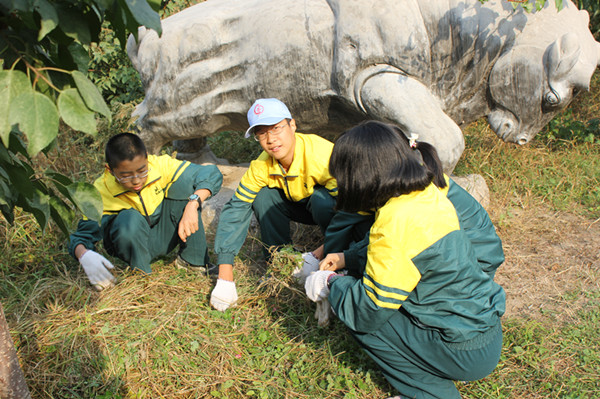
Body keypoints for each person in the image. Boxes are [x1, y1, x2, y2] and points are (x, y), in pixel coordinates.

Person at [305, 121, 506, 399]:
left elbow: (368, 310)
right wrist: (345, 257)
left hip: (463, 351)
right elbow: (400, 247)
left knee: (363, 316)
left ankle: (431, 394)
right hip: (484, 331)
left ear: (361, 175)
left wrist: (330, 284)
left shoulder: (394, 222)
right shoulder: (426, 193)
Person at [210, 98, 338, 311]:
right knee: (263, 196)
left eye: (277, 128)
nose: (271, 139)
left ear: (292, 125)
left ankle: (332, 259)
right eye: (262, 133)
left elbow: (352, 211)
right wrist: (225, 276)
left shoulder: (323, 156)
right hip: (299, 205)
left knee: (321, 201)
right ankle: (280, 262)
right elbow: (236, 208)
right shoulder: (261, 165)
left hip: (330, 208)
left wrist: (316, 255)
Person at [68, 133, 223, 290]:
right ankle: (141, 274)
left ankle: (192, 260)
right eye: (126, 175)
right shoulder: (99, 193)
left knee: (185, 186)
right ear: (110, 169)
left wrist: (193, 204)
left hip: (162, 234)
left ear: (147, 159)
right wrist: (84, 255)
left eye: (142, 171)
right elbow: (81, 238)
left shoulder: (159, 165)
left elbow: (210, 173)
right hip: (131, 241)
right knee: (129, 219)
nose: (136, 180)